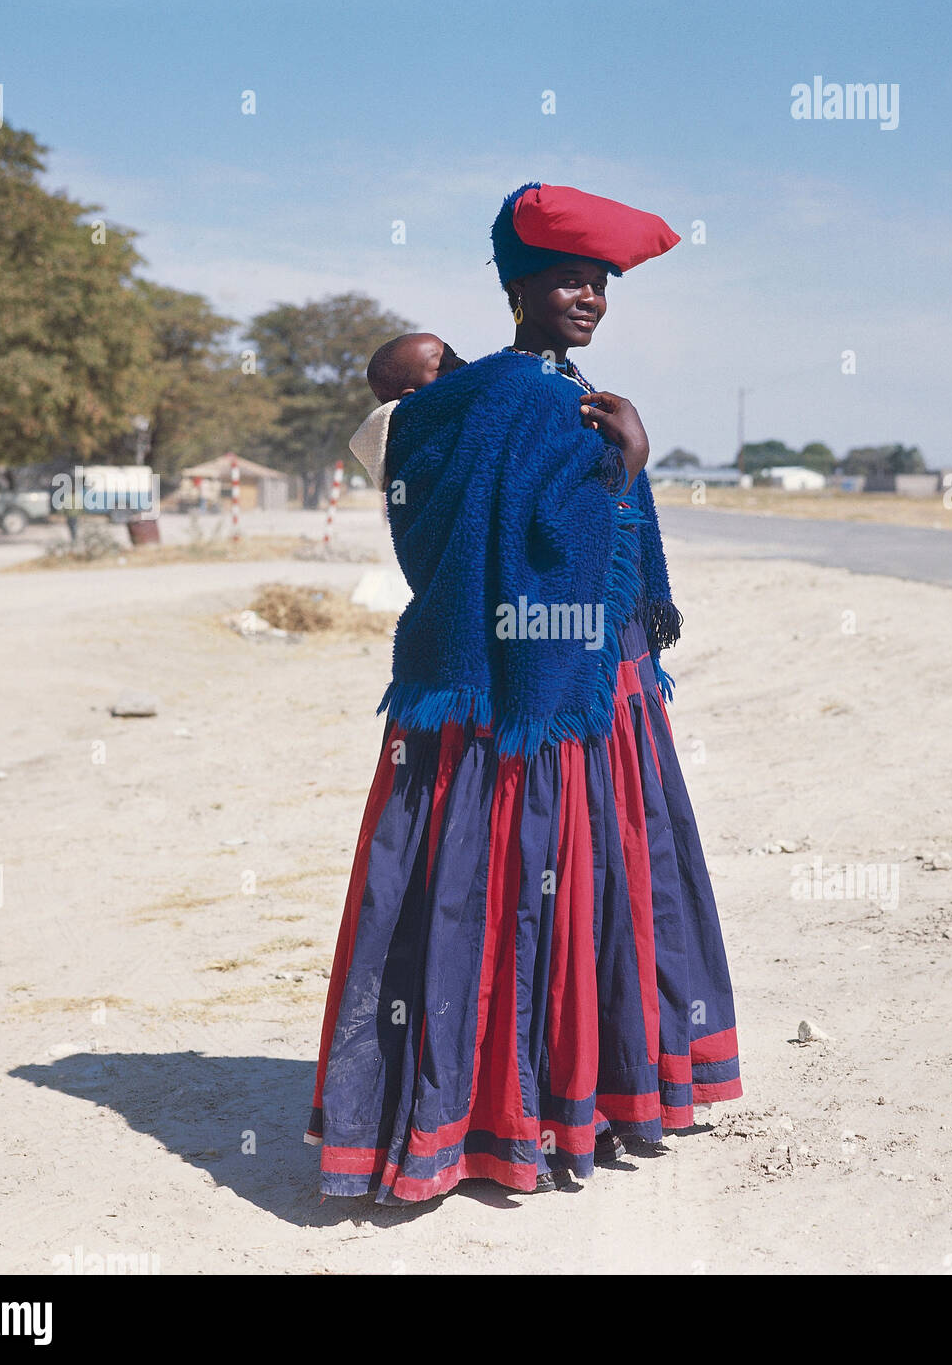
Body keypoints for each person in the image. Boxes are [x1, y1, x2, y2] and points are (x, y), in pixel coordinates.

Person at [306, 181, 741, 1204]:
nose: (588, 294)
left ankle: (539, 1100)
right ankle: (526, 1108)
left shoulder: (519, 393)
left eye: (600, 280)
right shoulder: (524, 396)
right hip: (556, 691)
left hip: (564, 678)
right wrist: (624, 464)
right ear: (519, 285)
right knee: (544, 882)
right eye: (568, 276)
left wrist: (615, 462)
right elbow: (537, 536)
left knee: (555, 889)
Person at [350, 334, 467, 491]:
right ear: (413, 397)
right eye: (440, 366)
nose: (457, 363)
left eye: (453, 355)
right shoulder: (423, 444)